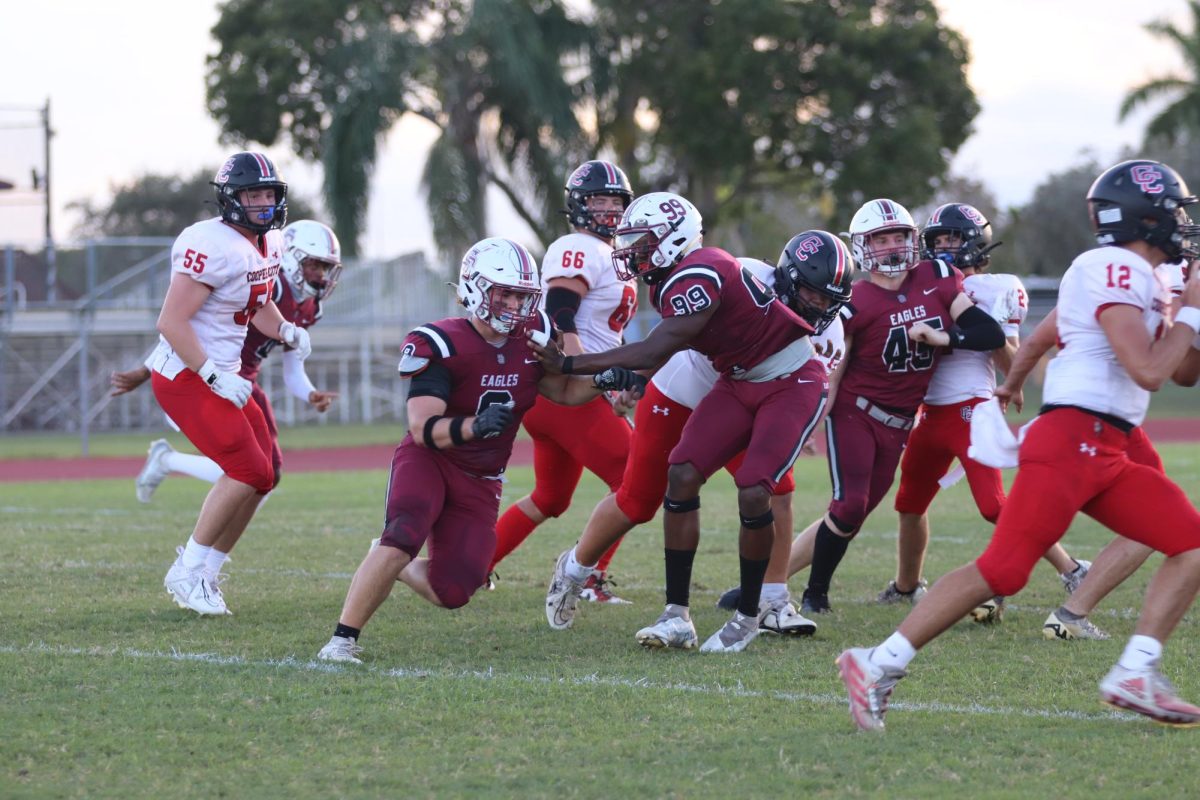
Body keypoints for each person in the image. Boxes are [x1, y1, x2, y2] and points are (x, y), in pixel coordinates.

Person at [838, 159, 1200, 731]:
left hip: (1104, 444)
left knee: (1190, 541)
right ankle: (876, 663)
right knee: (1003, 571)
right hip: (1072, 441)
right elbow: (1150, 371)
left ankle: (1136, 671)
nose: (1182, 223)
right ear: (1146, 217)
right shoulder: (1112, 267)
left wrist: (1189, 312)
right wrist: (1192, 312)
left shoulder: (1150, 279)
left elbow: (1183, 374)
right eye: (1174, 212)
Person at [316, 237, 643, 664]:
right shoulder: (440, 341)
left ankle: (388, 560)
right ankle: (342, 640)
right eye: (504, 292)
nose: (513, 304)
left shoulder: (534, 336)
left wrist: (600, 379)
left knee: (452, 592)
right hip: (432, 459)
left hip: (482, 477)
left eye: (521, 295)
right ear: (474, 288)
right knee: (405, 534)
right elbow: (421, 428)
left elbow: (561, 391)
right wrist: (474, 425)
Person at [533, 192, 830, 654]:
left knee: (762, 488)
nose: (631, 252)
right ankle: (666, 611)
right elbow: (670, 346)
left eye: (642, 242)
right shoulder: (677, 277)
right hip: (723, 381)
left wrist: (574, 364)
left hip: (784, 381)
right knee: (670, 479)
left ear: (674, 241)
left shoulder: (700, 270)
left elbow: (657, 345)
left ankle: (757, 610)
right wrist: (631, 375)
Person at [791, 199, 1006, 616]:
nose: (891, 246)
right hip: (856, 413)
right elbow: (832, 375)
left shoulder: (938, 276)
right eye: (880, 239)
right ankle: (814, 593)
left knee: (862, 508)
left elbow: (986, 331)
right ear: (862, 246)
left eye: (899, 237)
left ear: (912, 239)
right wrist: (805, 428)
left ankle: (775, 578)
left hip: (901, 422)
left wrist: (947, 339)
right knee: (850, 505)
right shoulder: (853, 299)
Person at [883, 203, 1089, 621]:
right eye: (937, 241)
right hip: (931, 413)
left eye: (953, 239)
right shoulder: (925, 284)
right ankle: (906, 585)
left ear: (975, 243)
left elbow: (1009, 357)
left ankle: (1072, 569)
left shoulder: (996, 288)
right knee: (908, 503)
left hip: (972, 410)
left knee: (994, 505)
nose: (944, 248)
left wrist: (982, 341)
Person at [993, 259, 1191, 641]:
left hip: (1072, 418)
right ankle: (1069, 612)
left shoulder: (1099, 268)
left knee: (1032, 523)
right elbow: (1165, 373)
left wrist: (1012, 385)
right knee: (1159, 521)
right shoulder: (1143, 275)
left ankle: (999, 593)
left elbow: (1036, 341)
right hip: (1102, 423)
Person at [152, 151, 311, 616]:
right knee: (247, 470)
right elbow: (170, 321)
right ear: (231, 199)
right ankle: (186, 570)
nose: (263, 203)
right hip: (187, 374)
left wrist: (283, 329)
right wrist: (214, 374)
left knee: (264, 476)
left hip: (220, 373)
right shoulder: (210, 244)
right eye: (252, 195)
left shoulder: (270, 242)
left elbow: (257, 300)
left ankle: (206, 571)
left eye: (268, 194)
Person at [487, 160, 638, 603]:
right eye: (599, 200)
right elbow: (560, 309)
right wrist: (579, 365)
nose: (609, 209)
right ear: (578, 205)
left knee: (550, 498)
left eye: (616, 201)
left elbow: (605, 329)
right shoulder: (579, 246)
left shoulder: (613, 254)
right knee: (637, 481)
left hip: (561, 396)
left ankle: (477, 564)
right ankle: (587, 577)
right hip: (567, 393)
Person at [113, 219, 343, 508]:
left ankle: (213, 545)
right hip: (209, 377)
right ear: (291, 256)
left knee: (269, 473)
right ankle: (170, 466)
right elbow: (190, 325)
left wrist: (310, 394)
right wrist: (147, 370)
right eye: (315, 265)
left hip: (244, 384)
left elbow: (292, 368)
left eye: (325, 267)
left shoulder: (311, 309)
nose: (321, 275)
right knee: (246, 469)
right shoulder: (268, 284)